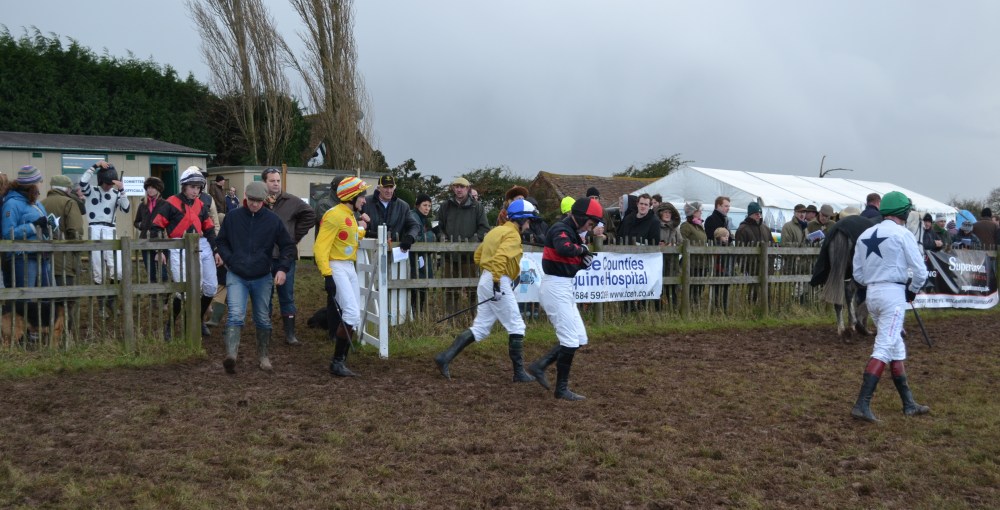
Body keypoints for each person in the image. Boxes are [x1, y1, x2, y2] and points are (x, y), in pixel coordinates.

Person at [434, 199, 541, 382]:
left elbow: (478, 254)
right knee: (516, 325)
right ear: (521, 219)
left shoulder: (496, 230)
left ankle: (444, 357)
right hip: (497, 280)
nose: (529, 224)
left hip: (486, 278)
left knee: (481, 328)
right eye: (528, 220)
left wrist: (490, 275)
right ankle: (519, 373)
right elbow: (500, 258)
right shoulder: (513, 235)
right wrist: (498, 282)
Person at [850, 191, 930, 423]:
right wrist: (912, 290)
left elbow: (857, 274)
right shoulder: (903, 234)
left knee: (895, 346)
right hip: (892, 295)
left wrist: (875, 282)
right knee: (884, 347)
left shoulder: (865, 234)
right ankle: (861, 404)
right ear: (904, 212)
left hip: (872, 295)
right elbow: (921, 271)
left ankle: (908, 403)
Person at [527, 197, 603, 401]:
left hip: (564, 287)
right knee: (570, 340)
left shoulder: (573, 233)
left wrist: (582, 262)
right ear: (581, 217)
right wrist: (583, 251)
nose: (591, 226)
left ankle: (540, 365)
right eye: (591, 222)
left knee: (579, 337)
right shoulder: (561, 229)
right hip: (555, 287)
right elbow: (563, 247)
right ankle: (561, 389)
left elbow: (570, 259)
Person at [216, 182, 297, 374]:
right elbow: (222, 241)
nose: (254, 204)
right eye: (251, 200)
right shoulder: (233, 217)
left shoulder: (272, 220)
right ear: (245, 196)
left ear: (265, 200)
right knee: (235, 314)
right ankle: (231, 355)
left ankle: (263, 356)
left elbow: (287, 246)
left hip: (262, 276)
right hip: (237, 274)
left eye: (258, 201)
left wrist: (283, 269)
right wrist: (230, 260)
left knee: (262, 317)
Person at [152, 167, 222, 341]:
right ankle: (170, 324)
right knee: (183, 291)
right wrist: (159, 250)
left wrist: (215, 250)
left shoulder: (201, 205)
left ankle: (197, 320)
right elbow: (156, 227)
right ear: (184, 186)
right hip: (179, 246)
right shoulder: (170, 203)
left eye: (198, 187)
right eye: (192, 187)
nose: (196, 191)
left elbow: (209, 229)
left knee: (211, 287)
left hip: (202, 245)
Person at [314, 176, 371, 377]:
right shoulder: (333, 215)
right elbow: (320, 247)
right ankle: (337, 362)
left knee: (354, 316)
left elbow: (352, 235)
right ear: (352, 196)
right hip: (337, 267)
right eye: (362, 196)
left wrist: (364, 229)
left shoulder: (348, 215)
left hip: (348, 267)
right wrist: (327, 275)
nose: (364, 200)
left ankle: (341, 361)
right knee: (352, 314)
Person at [261, 167, 317, 345]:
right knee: (264, 295)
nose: (276, 184)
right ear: (264, 182)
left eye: (278, 180)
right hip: (264, 257)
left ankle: (290, 334)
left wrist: (293, 237)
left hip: (286, 256)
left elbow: (310, 215)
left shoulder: (292, 201)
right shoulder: (257, 201)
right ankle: (265, 331)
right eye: (272, 181)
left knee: (286, 295)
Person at [2, 165, 53, 299]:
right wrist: (33, 226)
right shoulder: (12, 203)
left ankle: (43, 320)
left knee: (47, 297)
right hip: (24, 257)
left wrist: (49, 225)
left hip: (43, 255)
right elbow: (7, 233)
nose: (41, 184)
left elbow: (42, 222)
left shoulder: (36, 203)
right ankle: (23, 320)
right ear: (32, 184)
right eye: (39, 181)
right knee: (26, 298)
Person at [79, 160, 129, 288]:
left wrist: (122, 190)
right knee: (98, 266)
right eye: (107, 183)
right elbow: (83, 181)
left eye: (111, 184)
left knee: (117, 267)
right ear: (101, 180)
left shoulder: (116, 193)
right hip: (94, 229)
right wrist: (95, 166)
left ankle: (112, 294)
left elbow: (126, 208)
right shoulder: (91, 191)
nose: (108, 186)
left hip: (110, 230)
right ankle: (101, 298)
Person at [41, 175, 85, 286]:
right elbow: (75, 230)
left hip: (43, 258)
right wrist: (77, 252)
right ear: (67, 189)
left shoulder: (40, 204)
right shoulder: (69, 203)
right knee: (65, 298)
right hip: (65, 259)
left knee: (46, 298)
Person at [362, 174, 419, 246]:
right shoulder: (365, 202)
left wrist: (410, 237)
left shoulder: (403, 206)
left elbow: (414, 225)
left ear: (394, 188)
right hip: (371, 249)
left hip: (394, 250)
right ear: (379, 188)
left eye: (391, 187)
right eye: (385, 187)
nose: (389, 190)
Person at [133, 177, 169, 285]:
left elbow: (168, 221)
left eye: (153, 187)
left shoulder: (165, 204)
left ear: (158, 189)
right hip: (145, 241)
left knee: (162, 272)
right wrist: (142, 225)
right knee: (150, 272)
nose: (150, 190)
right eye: (148, 188)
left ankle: (164, 297)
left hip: (160, 241)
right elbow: (136, 222)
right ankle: (153, 297)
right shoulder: (143, 204)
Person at [437, 177, 489, 242]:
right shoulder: (445, 205)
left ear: (467, 188)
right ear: (453, 189)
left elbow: (485, 227)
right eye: (456, 187)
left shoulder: (477, 206)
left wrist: (474, 239)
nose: (459, 190)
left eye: (462, 187)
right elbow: (435, 223)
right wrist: (441, 235)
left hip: (471, 250)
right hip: (448, 249)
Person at [409, 193, 437, 312]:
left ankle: (417, 316)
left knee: (420, 292)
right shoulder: (414, 217)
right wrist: (432, 234)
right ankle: (415, 316)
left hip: (421, 261)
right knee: (417, 292)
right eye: (424, 205)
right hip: (415, 261)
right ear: (417, 205)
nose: (427, 208)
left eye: (429, 206)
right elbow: (418, 239)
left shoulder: (423, 219)